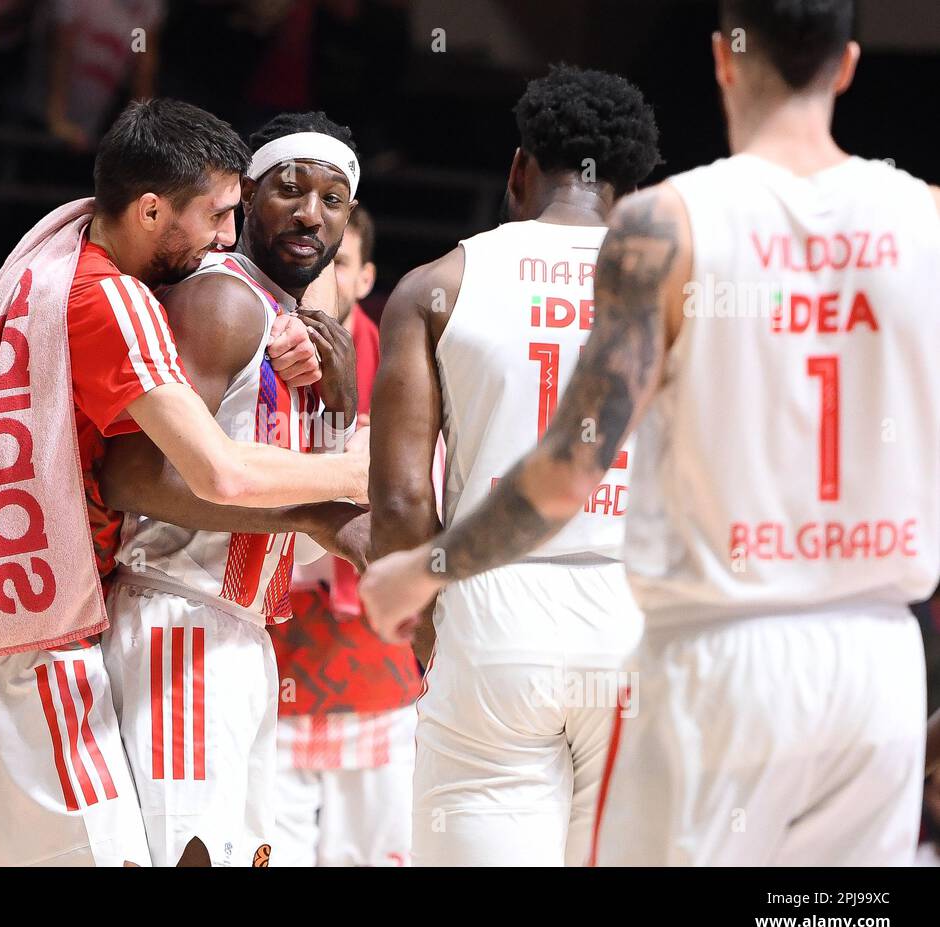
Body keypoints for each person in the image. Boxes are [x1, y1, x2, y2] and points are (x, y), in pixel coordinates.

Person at [362, 0, 940, 867]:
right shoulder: (924, 218)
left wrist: (426, 568)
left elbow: (566, 470)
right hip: (879, 646)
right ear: (851, 65)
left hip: (715, 635)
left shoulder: (669, 227)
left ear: (724, 59)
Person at [0, 100, 369, 867]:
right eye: (228, 211)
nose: (225, 236)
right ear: (150, 208)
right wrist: (346, 490)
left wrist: (338, 411)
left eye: (334, 199)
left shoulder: (48, 258)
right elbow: (182, 472)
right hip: (96, 629)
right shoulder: (168, 298)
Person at [364, 66, 660, 867]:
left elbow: (395, 501)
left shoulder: (437, 285)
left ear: (519, 171)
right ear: (629, 193)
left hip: (493, 614)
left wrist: (434, 634)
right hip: (639, 618)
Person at [98, 110, 370, 867]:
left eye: (333, 199)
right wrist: (319, 509)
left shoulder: (293, 325)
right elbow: (131, 476)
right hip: (178, 617)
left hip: (239, 631)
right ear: (246, 196)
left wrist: (341, 409)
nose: (310, 213)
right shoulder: (221, 300)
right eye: (290, 189)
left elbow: (313, 549)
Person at [267, 205, 424, 867]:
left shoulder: (409, 370)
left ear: (363, 277)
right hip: (269, 656)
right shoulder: (254, 349)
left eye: (335, 261)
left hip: (375, 657)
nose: (317, 272)